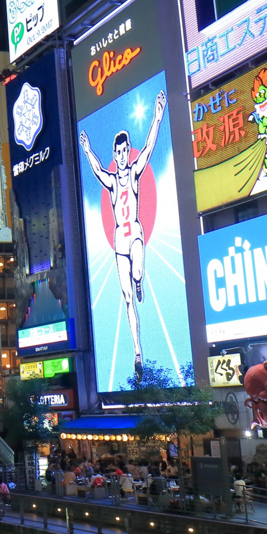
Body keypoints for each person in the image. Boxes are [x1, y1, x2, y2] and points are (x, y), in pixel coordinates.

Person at [78, 89, 168, 378]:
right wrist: (88, 150)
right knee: (128, 299)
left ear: (127, 150)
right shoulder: (112, 180)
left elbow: (150, 146)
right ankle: (138, 352)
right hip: (119, 242)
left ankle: (139, 280)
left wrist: (157, 116)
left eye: (123, 150)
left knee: (138, 273)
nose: (120, 156)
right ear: (114, 155)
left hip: (136, 235)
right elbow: (95, 171)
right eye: (116, 152)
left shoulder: (135, 170)